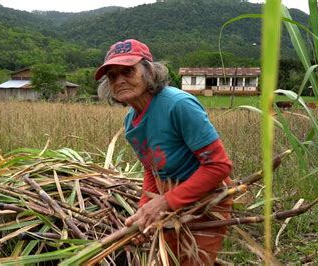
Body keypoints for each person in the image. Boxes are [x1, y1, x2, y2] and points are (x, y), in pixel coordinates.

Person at [95, 39, 233, 265]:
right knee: (167, 260)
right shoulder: (131, 122)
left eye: (128, 71)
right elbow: (152, 169)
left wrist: (164, 203)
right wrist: (144, 211)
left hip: (205, 200)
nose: (119, 80)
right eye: (112, 76)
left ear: (149, 71)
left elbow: (219, 166)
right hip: (170, 199)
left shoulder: (179, 105)